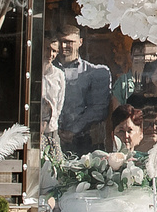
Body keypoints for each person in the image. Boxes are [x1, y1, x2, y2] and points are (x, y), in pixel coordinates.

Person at [45, 26, 114, 156]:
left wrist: (73, 130)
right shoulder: (45, 70)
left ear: (80, 42)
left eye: (70, 42)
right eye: (61, 41)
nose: (64, 45)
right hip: (48, 137)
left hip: (83, 141)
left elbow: (99, 108)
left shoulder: (95, 73)